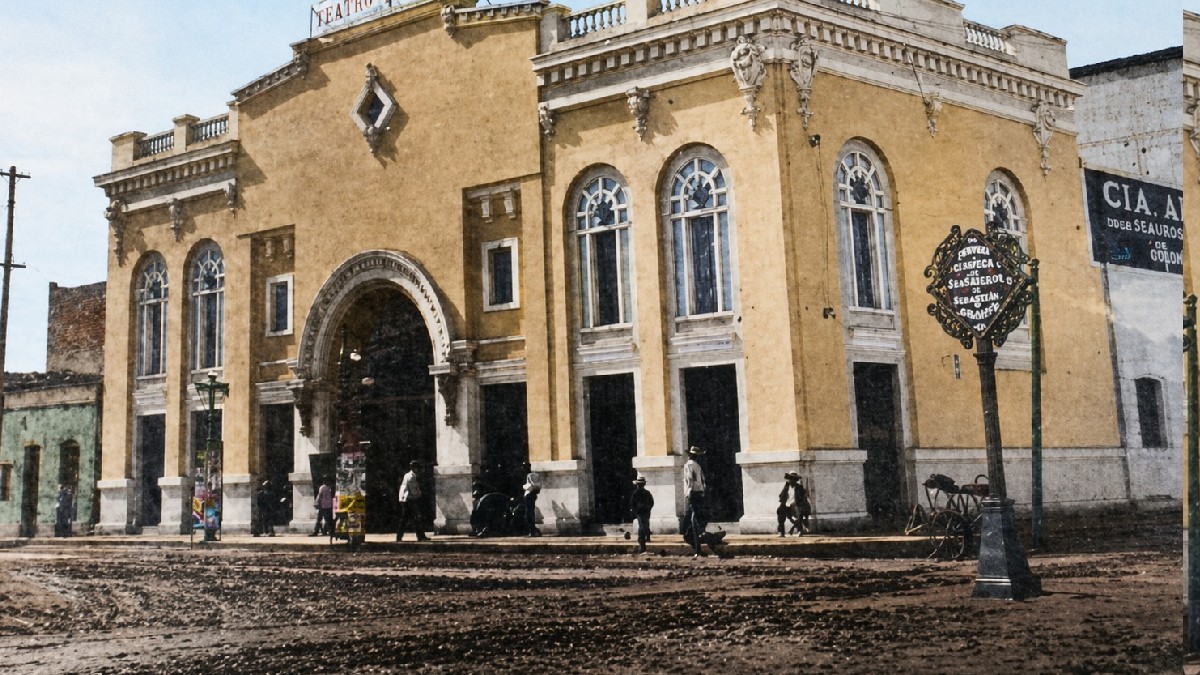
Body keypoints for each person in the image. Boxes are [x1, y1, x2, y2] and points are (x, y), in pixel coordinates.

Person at [681, 446, 708, 556]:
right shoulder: (698, 466)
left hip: (693, 494)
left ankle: (697, 548)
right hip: (700, 493)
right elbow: (703, 481)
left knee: (693, 520)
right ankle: (697, 544)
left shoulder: (688, 466)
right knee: (695, 519)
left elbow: (690, 481)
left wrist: (689, 493)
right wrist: (702, 491)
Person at [397, 461, 428, 541]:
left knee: (408, 518)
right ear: (414, 468)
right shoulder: (411, 477)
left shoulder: (408, 475)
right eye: (417, 468)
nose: (418, 469)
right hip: (409, 500)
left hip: (406, 500)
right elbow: (414, 491)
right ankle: (420, 537)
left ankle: (400, 537)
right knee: (414, 518)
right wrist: (420, 495)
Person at [777, 471, 810, 536]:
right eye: (790, 478)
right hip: (787, 506)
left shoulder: (799, 487)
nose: (791, 480)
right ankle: (781, 532)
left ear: (795, 480)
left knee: (798, 511)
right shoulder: (786, 487)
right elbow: (781, 496)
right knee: (780, 510)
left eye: (793, 479)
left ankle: (800, 530)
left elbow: (802, 499)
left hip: (796, 505)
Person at [628, 475, 654, 554]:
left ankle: (645, 539)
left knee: (644, 526)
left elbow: (651, 502)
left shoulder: (646, 493)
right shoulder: (636, 493)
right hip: (640, 513)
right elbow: (632, 504)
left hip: (645, 512)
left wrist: (647, 507)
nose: (639, 486)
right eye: (639, 485)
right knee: (642, 527)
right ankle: (642, 545)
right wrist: (635, 511)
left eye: (641, 485)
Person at [521, 462, 541, 537]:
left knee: (529, 514)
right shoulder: (530, 475)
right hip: (529, 495)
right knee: (529, 513)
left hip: (530, 495)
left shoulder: (531, 475)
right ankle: (532, 531)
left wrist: (524, 486)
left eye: (524, 467)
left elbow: (534, 486)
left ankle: (532, 531)